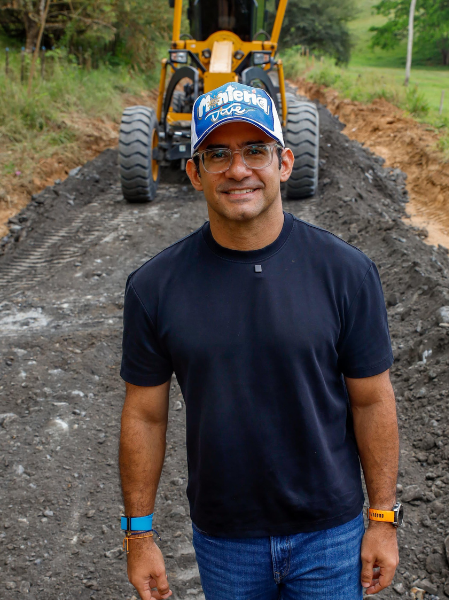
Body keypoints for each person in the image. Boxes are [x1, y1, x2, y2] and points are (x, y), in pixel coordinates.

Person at [118, 83, 399, 600]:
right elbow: (144, 414)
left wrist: (381, 518)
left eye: (255, 151)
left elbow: (373, 398)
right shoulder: (155, 287)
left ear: (285, 162)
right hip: (225, 541)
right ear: (195, 171)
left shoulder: (346, 273)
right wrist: (139, 536)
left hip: (330, 535)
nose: (238, 169)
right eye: (218, 154)